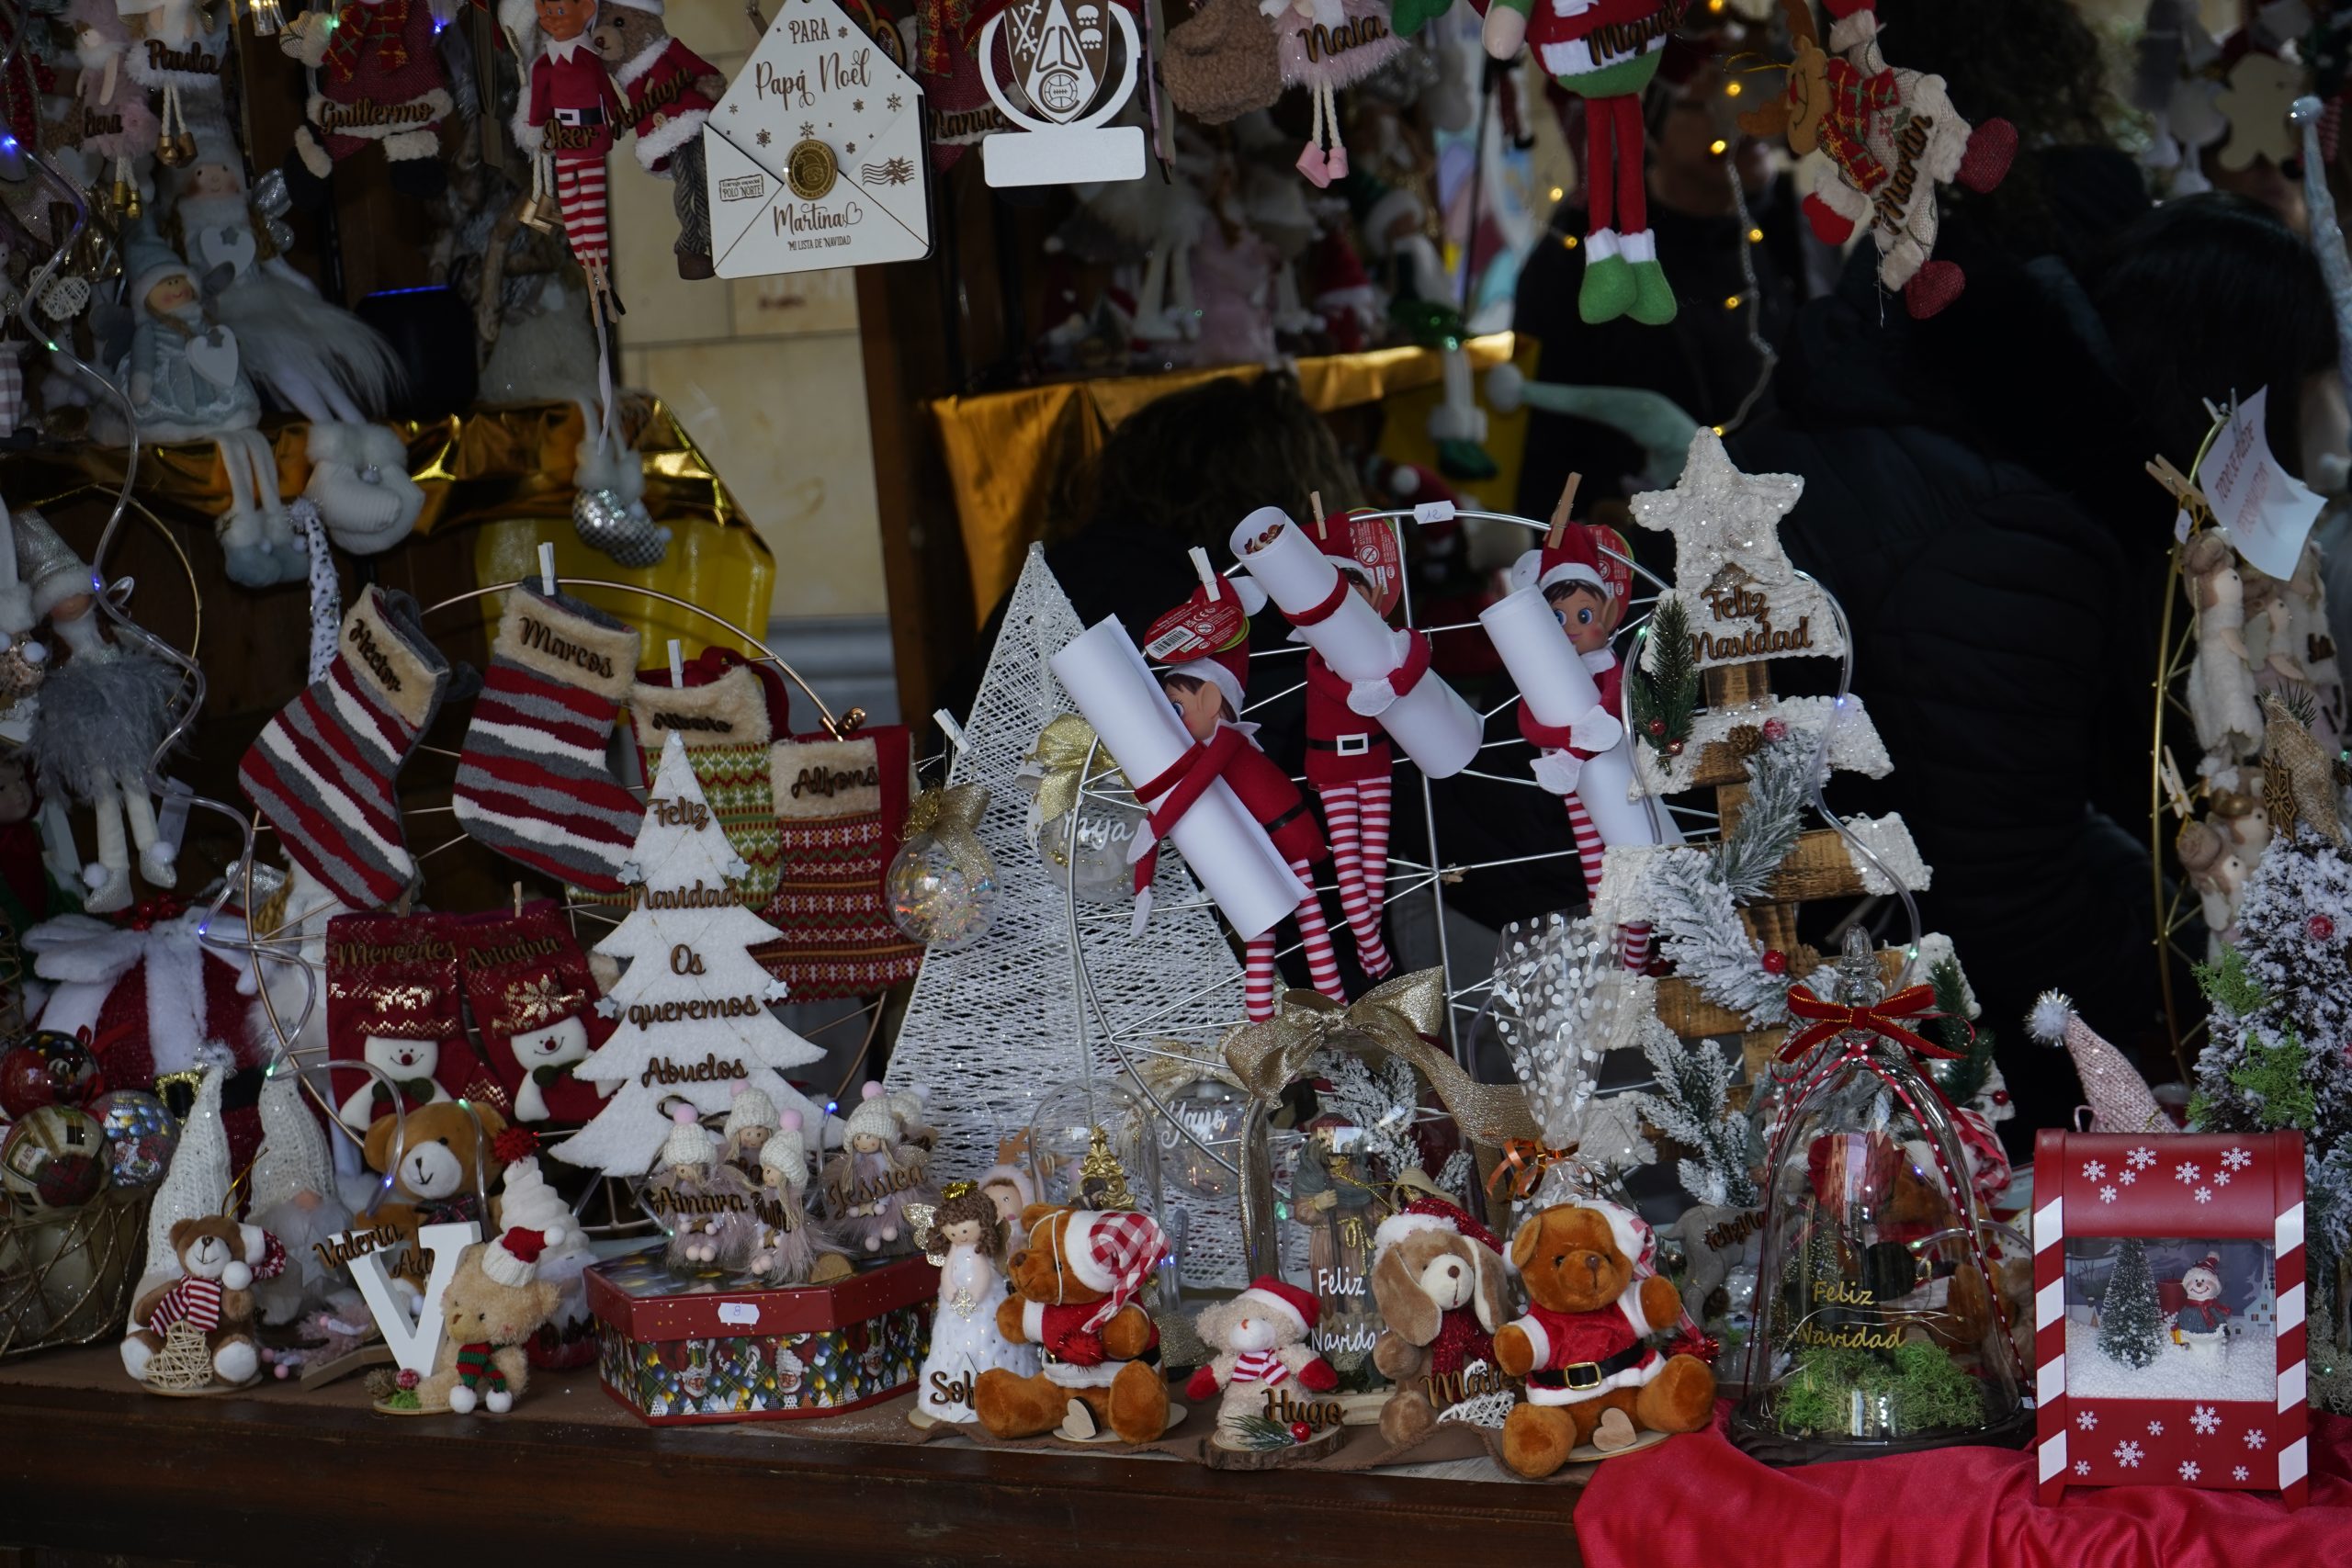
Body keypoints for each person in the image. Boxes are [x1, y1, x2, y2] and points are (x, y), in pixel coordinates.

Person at [1732, 192, 2340, 1151]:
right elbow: (2010, 899)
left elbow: (2030, 804)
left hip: (1865, 928)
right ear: (2228, 393)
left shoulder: (2011, 441)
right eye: (2304, 398)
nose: (2327, 433)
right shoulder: (2017, 537)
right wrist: (2236, 967)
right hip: (1846, 1009)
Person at [1512, 40, 1814, 517]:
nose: (1740, 119)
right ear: (1649, 126)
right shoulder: (1585, 253)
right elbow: (1543, 432)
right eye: (1705, 105)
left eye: (1748, 95)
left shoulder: (1791, 231)